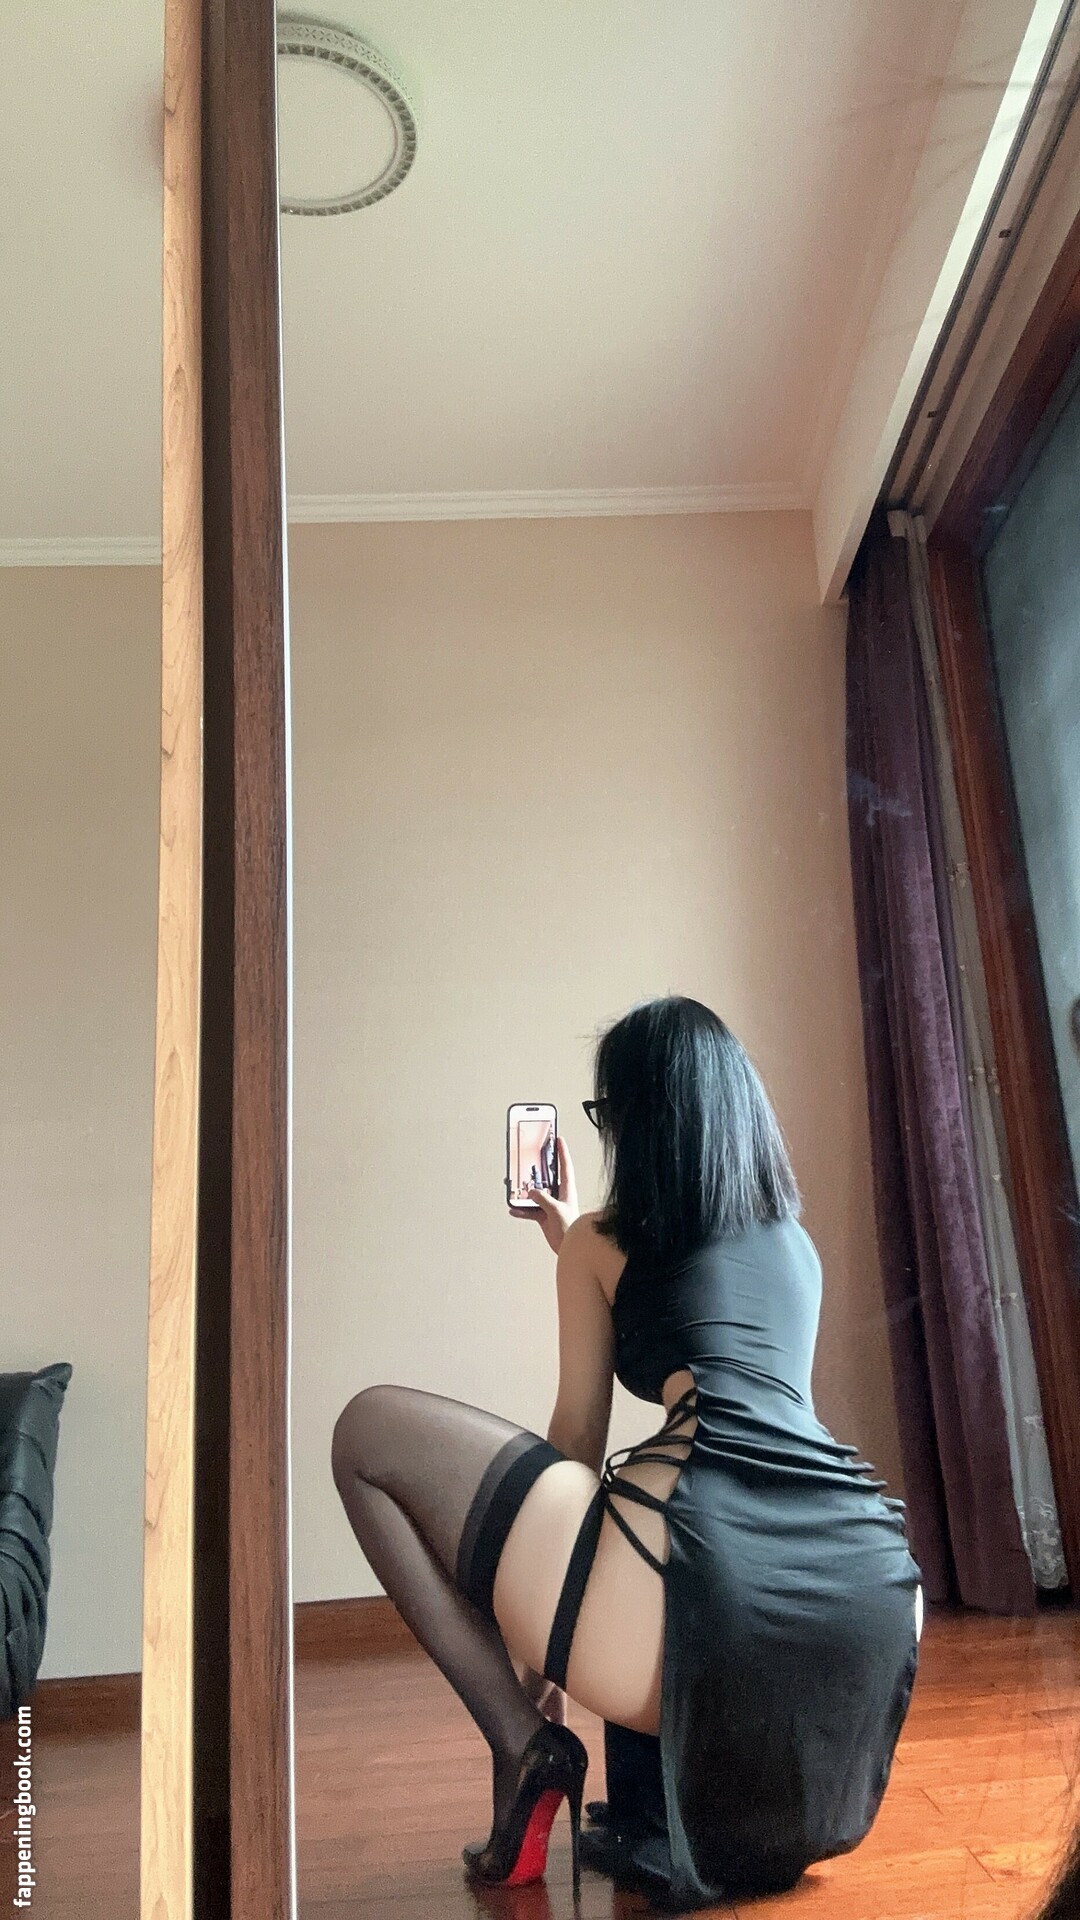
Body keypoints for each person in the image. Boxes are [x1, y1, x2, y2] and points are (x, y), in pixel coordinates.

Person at [330, 997, 922, 1907]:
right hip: (871, 1605)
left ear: (641, 1121)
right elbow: (754, 1408)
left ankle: (521, 1746)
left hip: (699, 1607)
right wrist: (567, 1236)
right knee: (665, 1498)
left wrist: (536, 1668)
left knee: (365, 1433)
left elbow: (574, 1444)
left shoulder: (599, 1244)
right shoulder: (797, 1250)